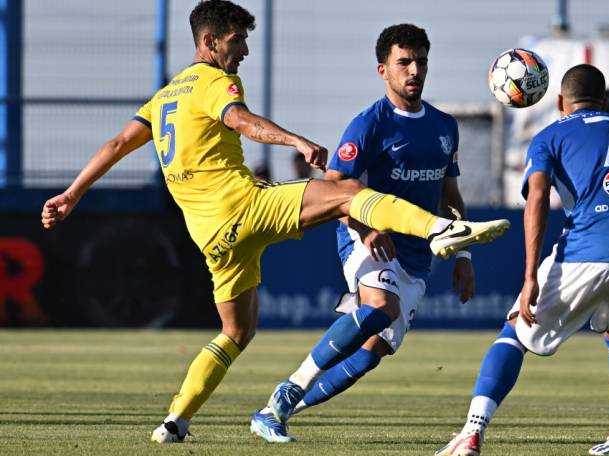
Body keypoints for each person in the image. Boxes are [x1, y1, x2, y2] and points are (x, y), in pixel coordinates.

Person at [38, 0, 509, 444]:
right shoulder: (212, 80)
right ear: (208, 42)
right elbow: (241, 120)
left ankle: (175, 420)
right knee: (347, 194)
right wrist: (296, 142)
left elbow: (120, 142)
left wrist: (72, 193)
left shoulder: (165, 97)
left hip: (210, 237)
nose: (242, 50)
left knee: (236, 333)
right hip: (243, 207)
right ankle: (438, 229)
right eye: (236, 40)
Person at [435, 64, 609, 456]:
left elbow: (537, 196)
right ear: (604, 101)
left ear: (560, 102)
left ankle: (471, 433)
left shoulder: (549, 136)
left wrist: (529, 278)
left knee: (515, 332)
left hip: (588, 247)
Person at [250, 23, 479, 443]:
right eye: (403, 62)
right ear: (382, 70)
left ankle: (273, 412)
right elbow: (334, 187)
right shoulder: (369, 124)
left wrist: (463, 256)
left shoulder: (445, 126)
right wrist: (365, 226)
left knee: (373, 353)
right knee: (380, 308)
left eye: (421, 62)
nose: (414, 71)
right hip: (367, 236)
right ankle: (289, 388)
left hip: (416, 254)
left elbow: (450, 196)